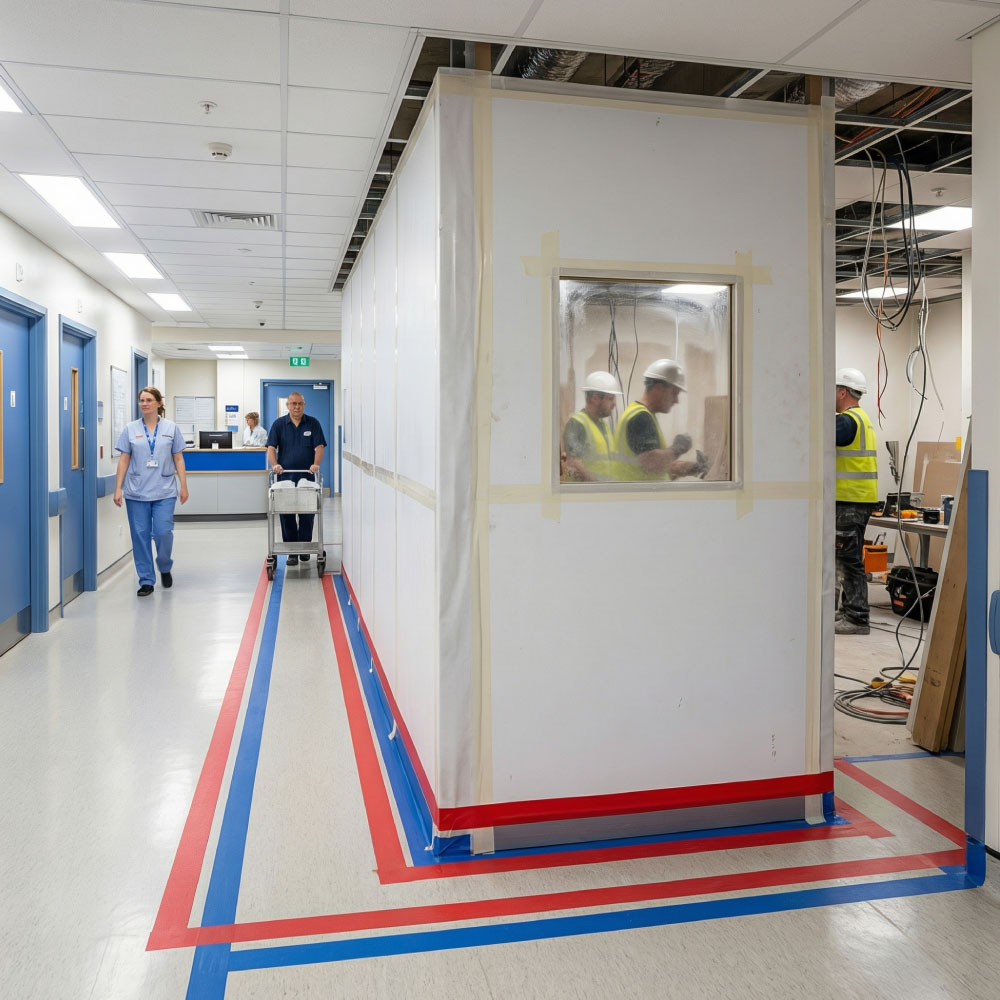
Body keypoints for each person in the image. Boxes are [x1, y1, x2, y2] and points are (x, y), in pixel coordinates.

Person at [113, 386, 189, 596]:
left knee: (163, 533)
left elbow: (179, 458)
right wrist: (118, 488)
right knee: (140, 536)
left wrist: (183, 485)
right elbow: (124, 459)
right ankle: (146, 580)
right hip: (137, 492)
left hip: (164, 490)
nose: (144, 404)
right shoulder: (130, 429)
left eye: (148, 400)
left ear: (158, 403)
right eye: (141, 400)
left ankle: (164, 565)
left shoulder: (171, 428)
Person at [835, 367, 878, 636]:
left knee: (848, 559)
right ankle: (849, 609)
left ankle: (857, 617)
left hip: (851, 501)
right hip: (858, 500)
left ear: (842, 392)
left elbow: (814, 438)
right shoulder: (862, 418)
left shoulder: (846, 422)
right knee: (846, 556)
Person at [615, 359, 705, 480]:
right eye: (674, 393)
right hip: (642, 495)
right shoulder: (641, 418)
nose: (676, 400)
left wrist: (695, 467)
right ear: (658, 388)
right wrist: (677, 449)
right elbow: (652, 463)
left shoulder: (640, 413)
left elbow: (663, 466)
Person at [266, 392, 326, 565]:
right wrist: (274, 464)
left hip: (307, 477)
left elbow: (319, 446)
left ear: (304, 405)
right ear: (288, 405)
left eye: (300, 404)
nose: (297, 407)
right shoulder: (279, 424)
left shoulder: (313, 423)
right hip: (285, 477)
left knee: (308, 512)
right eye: (293, 404)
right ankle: (292, 551)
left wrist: (316, 464)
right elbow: (271, 447)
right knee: (287, 513)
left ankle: (305, 548)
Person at [563, 371, 622, 481]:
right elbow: (574, 465)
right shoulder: (577, 424)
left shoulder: (603, 424)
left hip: (605, 492)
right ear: (595, 398)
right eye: (610, 399)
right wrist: (600, 486)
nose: (614, 404)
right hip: (587, 494)